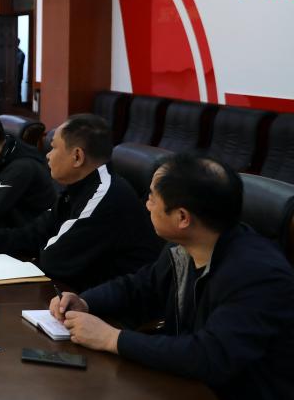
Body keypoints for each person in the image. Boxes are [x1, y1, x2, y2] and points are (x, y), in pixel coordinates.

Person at [50, 153, 294, 400]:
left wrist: (112, 338)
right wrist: (85, 301)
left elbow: (209, 356)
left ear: (182, 218)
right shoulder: (186, 246)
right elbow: (139, 287)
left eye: (152, 198)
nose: (146, 204)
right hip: (183, 383)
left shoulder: (258, 275)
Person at [0, 114, 161, 291]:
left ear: (77, 157)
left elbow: (53, 259)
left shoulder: (105, 195)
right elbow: (34, 233)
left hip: (114, 312)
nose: (48, 156)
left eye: (53, 148)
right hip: (80, 294)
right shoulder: (78, 188)